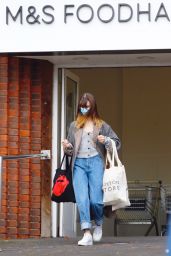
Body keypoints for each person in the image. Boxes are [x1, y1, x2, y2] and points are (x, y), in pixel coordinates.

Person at [62, 92, 121, 246]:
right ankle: (87, 233)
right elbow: (70, 150)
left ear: (93, 107)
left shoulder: (102, 125)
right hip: (79, 164)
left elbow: (117, 142)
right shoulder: (74, 125)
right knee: (82, 199)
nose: (84, 110)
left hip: (96, 162)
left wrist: (106, 140)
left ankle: (99, 224)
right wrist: (67, 147)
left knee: (96, 200)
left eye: (87, 107)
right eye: (82, 107)